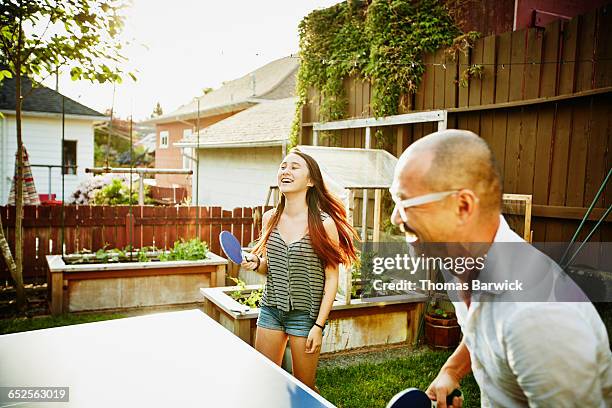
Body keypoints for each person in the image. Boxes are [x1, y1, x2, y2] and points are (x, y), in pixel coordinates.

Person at [389, 129, 612, 407]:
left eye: (405, 202)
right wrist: (451, 370)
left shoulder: (536, 317)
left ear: (463, 206)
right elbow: (482, 333)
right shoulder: (459, 264)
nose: (395, 216)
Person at [241, 148, 358, 390]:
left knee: (303, 389)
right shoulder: (269, 218)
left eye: (295, 167)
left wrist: (318, 325)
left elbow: (332, 278)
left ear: (311, 180)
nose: (286, 170)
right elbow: (270, 268)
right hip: (271, 310)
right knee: (265, 383)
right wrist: (257, 264)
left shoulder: (324, 223)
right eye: (283, 166)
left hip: (306, 316)